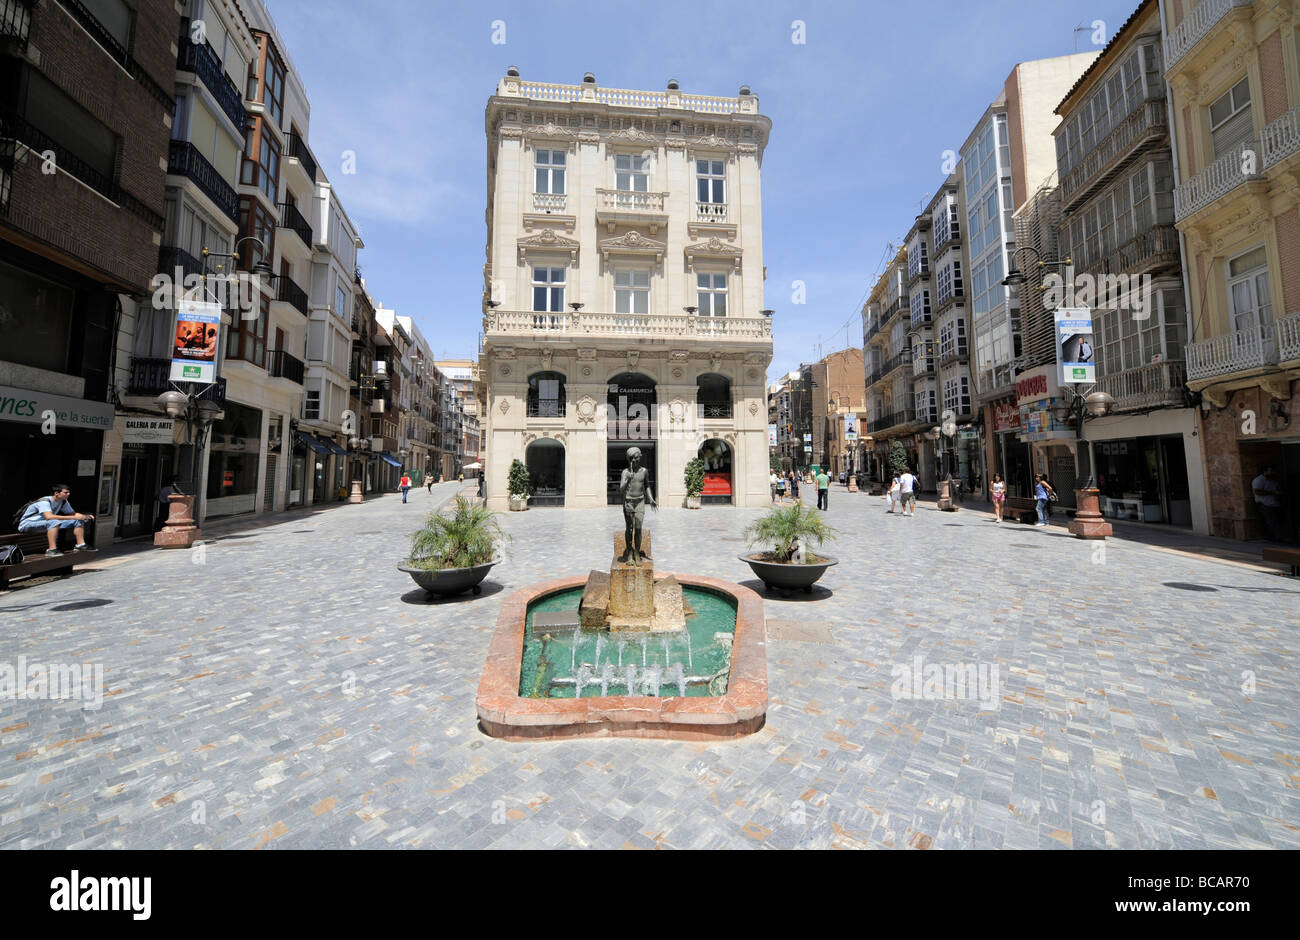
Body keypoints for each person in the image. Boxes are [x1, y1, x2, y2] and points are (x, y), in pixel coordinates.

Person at [17, 483, 94, 556]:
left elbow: (73, 514)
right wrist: (74, 517)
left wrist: (84, 516)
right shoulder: (45, 501)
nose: (68, 494)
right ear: (56, 493)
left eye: (69, 492)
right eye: (65, 492)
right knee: (54, 522)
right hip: (27, 524)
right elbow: (49, 517)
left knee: (77, 520)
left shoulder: (63, 502)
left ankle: (80, 545)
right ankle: (51, 550)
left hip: (45, 524)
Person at [619, 446, 656, 566]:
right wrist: (627, 480)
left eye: (637, 457)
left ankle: (637, 553)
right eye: (633, 458)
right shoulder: (625, 472)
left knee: (638, 528)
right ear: (629, 459)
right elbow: (621, 489)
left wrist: (650, 498)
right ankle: (629, 552)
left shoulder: (644, 471)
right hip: (629, 502)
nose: (635, 460)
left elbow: (647, 486)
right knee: (629, 528)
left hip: (640, 501)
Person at [1252, 465, 1285, 541]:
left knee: (1277, 520)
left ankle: (1278, 536)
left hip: (1275, 503)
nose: (1272, 472)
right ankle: (1275, 537)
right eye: (1270, 471)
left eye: (1272, 471)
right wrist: (1273, 492)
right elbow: (1257, 491)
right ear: (1265, 471)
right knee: (1271, 521)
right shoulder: (1258, 480)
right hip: (1265, 504)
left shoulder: (1273, 480)